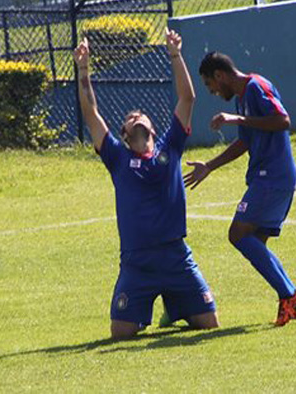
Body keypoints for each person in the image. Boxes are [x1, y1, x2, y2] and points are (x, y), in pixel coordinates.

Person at [73, 30, 219, 340]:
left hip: (175, 254)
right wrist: (84, 70)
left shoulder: (170, 146)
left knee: (209, 323)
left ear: (152, 128)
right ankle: (150, 309)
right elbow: (90, 112)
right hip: (137, 260)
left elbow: (187, 98)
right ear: (124, 135)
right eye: (130, 118)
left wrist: (175, 55)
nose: (136, 117)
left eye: (141, 116)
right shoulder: (117, 157)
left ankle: (176, 303)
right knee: (121, 333)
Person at [184, 52, 296, 327]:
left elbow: (282, 120)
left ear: (220, 75)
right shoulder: (245, 97)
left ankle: (291, 295)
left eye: (211, 86)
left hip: (273, 177)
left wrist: (239, 120)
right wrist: (209, 166)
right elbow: (245, 143)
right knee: (254, 241)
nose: (214, 92)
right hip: (265, 178)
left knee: (238, 234)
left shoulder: (256, 87)